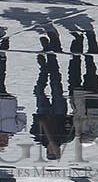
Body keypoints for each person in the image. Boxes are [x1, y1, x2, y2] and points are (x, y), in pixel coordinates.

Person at [30, 30, 76, 160]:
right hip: (59, 112)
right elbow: (72, 125)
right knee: (56, 84)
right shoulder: (66, 138)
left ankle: (44, 69)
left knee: (39, 90)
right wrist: (68, 120)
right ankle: (49, 54)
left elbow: (33, 129)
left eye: (50, 152)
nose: (52, 150)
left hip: (43, 112)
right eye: (55, 152)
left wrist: (37, 120)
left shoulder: (39, 138)